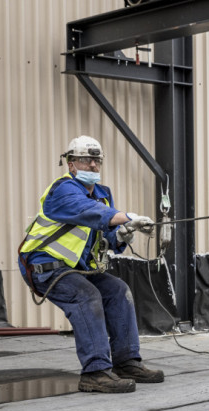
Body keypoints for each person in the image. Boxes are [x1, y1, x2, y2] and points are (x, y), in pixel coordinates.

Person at [18, 135, 164, 394]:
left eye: (97, 161)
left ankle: (126, 361)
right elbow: (89, 212)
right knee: (86, 296)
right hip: (45, 267)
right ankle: (95, 372)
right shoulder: (62, 190)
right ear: (71, 164)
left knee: (118, 291)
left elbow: (104, 232)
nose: (94, 166)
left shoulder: (103, 195)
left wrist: (122, 233)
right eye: (86, 160)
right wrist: (128, 217)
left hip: (76, 268)